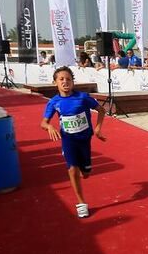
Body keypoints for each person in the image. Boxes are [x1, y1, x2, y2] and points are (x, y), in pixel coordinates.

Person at [41, 66, 107, 219]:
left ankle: (85, 170)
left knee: (86, 173)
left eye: (68, 79)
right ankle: (81, 203)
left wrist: (97, 129)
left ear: (73, 82)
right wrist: (49, 126)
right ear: (55, 83)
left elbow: (101, 110)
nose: (65, 82)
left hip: (84, 140)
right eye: (61, 79)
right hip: (68, 140)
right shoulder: (54, 102)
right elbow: (43, 123)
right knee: (72, 169)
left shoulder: (83, 97)